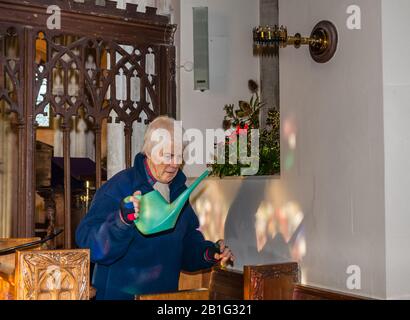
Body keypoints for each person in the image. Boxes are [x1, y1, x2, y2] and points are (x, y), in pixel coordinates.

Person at [76, 116, 235, 300]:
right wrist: (121, 221)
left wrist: (208, 253)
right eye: (168, 155)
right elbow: (88, 243)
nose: (175, 164)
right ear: (149, 152)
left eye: (179, 155)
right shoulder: (119, 187)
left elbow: (186, 245)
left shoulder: (178, 191)